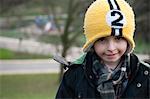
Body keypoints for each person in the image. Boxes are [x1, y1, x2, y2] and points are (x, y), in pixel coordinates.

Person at [55, 0, 150, 98]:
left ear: (128, 41)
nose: (111, 48)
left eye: (118, 38)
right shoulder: (74, 76)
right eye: (102, 39)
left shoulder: (145, 76)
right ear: (92, 43)